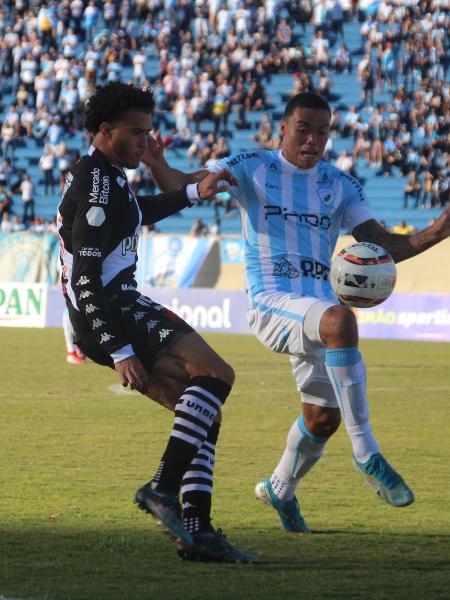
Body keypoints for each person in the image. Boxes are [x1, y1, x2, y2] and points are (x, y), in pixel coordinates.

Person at [144, 91, 450, 534]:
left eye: (322, 132)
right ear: (283, 128)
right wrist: (157, 166)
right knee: (343, 320)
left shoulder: (341, 185)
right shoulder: (251, 165)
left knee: (322, 419)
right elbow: (186, 186)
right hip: (272, 301)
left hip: (317, 310)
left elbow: (387, 246)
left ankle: (279, 488)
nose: (312, 140)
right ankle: (367, 453)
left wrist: (439, 230)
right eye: (303, 129)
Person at [57, 82, 255, 563]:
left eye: (148, 132)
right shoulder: (98, 182)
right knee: (216, 375)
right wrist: (120, 350)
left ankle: (197, 532)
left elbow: (141, 211)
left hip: (107, 314)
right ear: (106, 132)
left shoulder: (108, 176)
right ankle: (162, 490)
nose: (145, 142)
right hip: (113, 307)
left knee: (202, 413)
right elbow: (83, 277)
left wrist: (190, 191)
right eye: (137, 133)